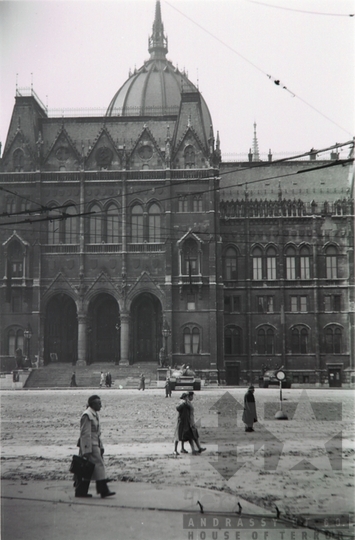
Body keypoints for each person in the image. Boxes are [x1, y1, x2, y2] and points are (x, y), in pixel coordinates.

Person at [74, 395, 115, 498]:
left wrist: (100, 445)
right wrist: (86, 449)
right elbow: (85, 434)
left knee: (89, 469)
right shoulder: (87, 415)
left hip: (94, 444)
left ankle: (81, 491)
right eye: (99, 403)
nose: (101, 405)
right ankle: (103, 490)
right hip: (91, 446)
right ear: (93, 404)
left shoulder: (93, 414)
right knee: (97, 467)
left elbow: (95, 433)